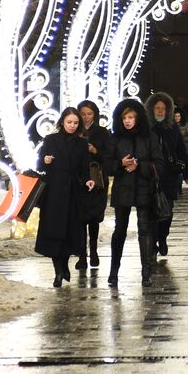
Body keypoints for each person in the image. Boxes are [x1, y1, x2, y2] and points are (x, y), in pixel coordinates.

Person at [36, 107, 96, 286]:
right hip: (54, 191)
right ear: (62, 121)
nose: (72, 125)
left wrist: (88, 181)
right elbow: (40, 162)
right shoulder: (50, 139)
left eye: (76, 123)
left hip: (73, 191)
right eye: (69, 122)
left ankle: (65, 265)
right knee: (53, 229)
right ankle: (58, 271)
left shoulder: (81, 143)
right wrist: (45, 160)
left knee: (71, 230)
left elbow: (84, 168)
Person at [104, 98, 161, 287]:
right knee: (119, 229)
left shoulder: (150, 137)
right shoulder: (115, 139)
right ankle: (113, 271)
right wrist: (120, 164)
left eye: (130, 117)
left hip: (145, 188)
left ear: (138, 118)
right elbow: (106, 165)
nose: (127, 121)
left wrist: (140, 166)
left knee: (144, 229)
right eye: (124, 117)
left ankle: (146, 271)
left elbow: (159, 164)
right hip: (123, 189)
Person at [145, 91, 188, 258]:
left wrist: (187, 173)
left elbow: (181, 151)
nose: (160, 111)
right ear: (151, 109)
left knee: (167, 212)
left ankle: (162, 237)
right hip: (149, 176)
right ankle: (153, 241)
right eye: (157, 108)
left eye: (163, 108)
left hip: (169, 176)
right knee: (151, 212)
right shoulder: (145, 128)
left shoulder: (172, 127)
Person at [75, 99, 111, 270]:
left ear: (95, 115)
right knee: (80, 219)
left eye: (89, 114)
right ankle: (82, 255)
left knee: (94, 218)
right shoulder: (75, 130)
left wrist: (95, 151)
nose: (86, 117)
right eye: (83, 114)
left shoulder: (103, 133)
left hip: (97, 180)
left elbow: (110, 156)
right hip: (79, 180)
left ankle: (94, 251)